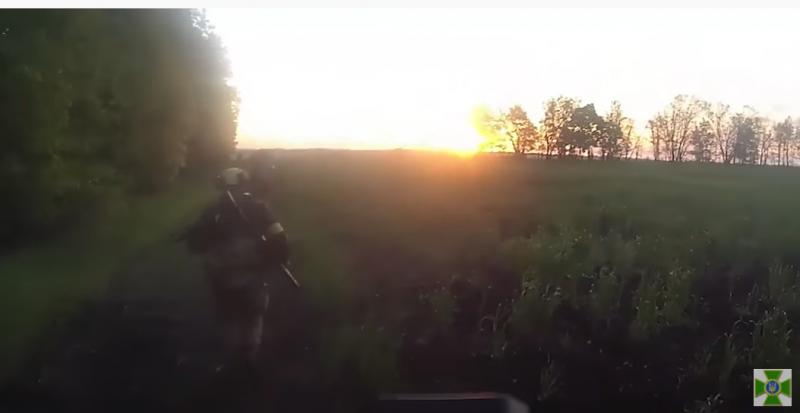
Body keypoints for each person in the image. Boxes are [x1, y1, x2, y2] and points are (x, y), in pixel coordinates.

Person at [181, 166, 289, 368]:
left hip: (222, 275)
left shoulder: (212, 211)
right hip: (253, 273)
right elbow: (280, 238)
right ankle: (248, 358)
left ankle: (229, 361)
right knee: (253, 315)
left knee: (227, 316)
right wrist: (278, 257)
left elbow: (197, 244)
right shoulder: (259, 208)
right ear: (244, 184)